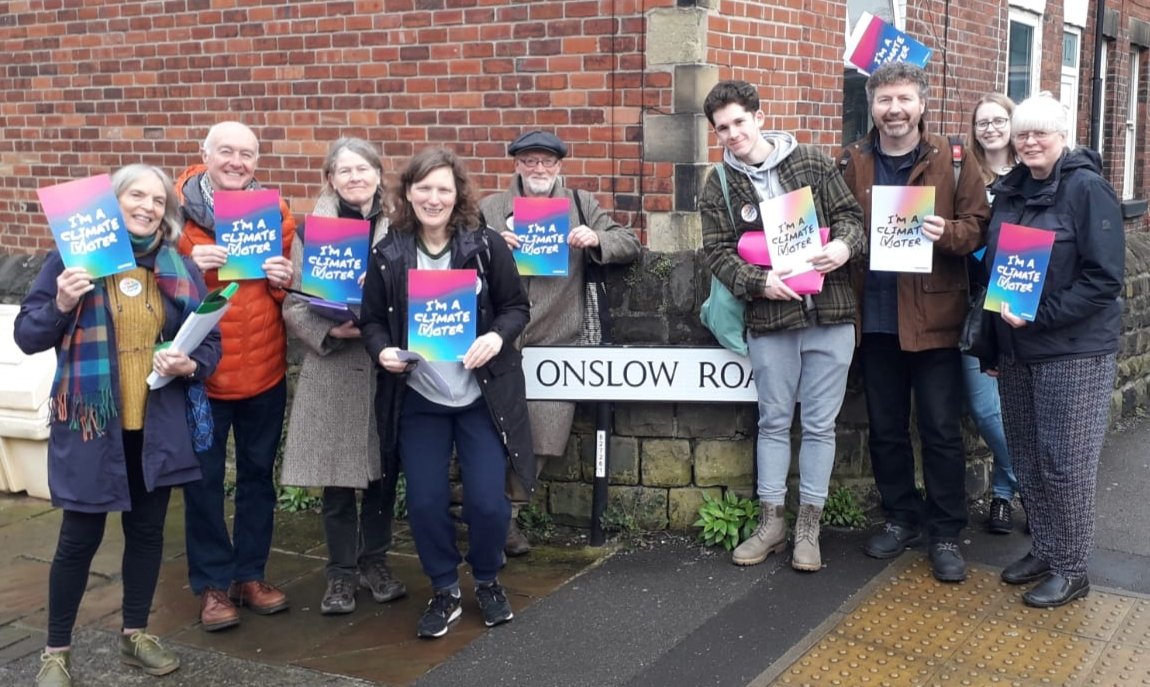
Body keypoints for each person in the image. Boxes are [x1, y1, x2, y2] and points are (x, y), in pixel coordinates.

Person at [16, 165, 221, 687]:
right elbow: (27, 335)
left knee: (147, 533)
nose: (148, 206)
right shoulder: (72, 261)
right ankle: (56, 651)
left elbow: (209, 344)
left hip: (156, 425)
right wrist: (61, 302)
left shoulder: (177, 266)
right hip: (92, 425)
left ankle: (135, 633)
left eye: (158, 200)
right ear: (113, 202)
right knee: (78, 538)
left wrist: (189, 364)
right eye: (137, 195)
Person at [360, 147, 533, 639]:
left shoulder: (485, 246)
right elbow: (371, 320)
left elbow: (516, 308)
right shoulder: (388, 252)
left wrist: (495, 337)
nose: (433, 198)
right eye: (424, 188)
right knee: (425, 501)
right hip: (420, 399)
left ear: (457, 195)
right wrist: (382, 353)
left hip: (480, 397)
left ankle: (486, 578)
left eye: (443, 188)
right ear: (407, 192)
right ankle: (444, 587)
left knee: (488, 502)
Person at [698, 81, 865, 572]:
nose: (732, 134)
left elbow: (851, 218)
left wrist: (843, 248)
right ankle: (771, 523)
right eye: (722, 128)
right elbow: (716, 252)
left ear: (759, 116)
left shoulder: (812, 162)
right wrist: (761, 281)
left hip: (829, 315)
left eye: (739, 122)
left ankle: (808, 529)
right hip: (770, 318)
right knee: (772, 423)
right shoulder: (719, 184)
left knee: (819, 426)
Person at [840, 62, 989, 582]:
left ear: (921, 103)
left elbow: (978, 224)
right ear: (871, 105)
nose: (894, 109)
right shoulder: (853, 160)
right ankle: (900, 517)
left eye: (903, 99)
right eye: (884, 100)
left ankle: (946, 531)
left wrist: (945, 232)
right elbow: (836, 223)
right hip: (875, 318)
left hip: (935, 319)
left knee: (941, 430)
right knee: (885, 429)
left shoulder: (953, 157)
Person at [985, 93, 1124, 607]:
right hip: (1017, 347)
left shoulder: (1088, 190)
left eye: (1041, 132)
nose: (1030, 141)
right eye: (1023, 133)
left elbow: (1103, 280)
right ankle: (1045, 549)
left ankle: (1072, 567)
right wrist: (993, 344)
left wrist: (1039, 316)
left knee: (1066, 461)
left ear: (1062, 135)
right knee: (1028, 453)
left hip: (1074, 349)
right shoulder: (1012, 191)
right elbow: (1000, 268)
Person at [478, 130, 640, 556]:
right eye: (529, 161)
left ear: (559, 167)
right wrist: (491, 243)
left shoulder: (580, 205)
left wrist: (596, 238)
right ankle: (493, 520)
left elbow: (630, 242)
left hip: (558, 340)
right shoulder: (491, 209)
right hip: (499, 340)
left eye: (546, 162)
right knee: (493, 434)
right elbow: (458, 254)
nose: (538, 170)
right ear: (516, 165)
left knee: (546, 436)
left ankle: (510, 516)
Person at [176, 121, 297, 630]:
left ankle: (250, 575)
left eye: (247, 154)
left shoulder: (277, 213)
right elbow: (143, 286)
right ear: (203, 154)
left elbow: (293, 295)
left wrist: (284, 282)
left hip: (264, 370)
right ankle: (211, 586)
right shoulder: (173, 216)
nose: (236, 161)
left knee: (256, 479)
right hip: (200, 376)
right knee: (202, 483)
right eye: (226, 151)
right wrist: (184, 260)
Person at [280, 137, 406, 615]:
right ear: (330, 179)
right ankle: (339, 573)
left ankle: (374, 561)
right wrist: (332, 329)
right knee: (336, 479)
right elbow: (292, 303)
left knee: (381, 473)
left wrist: (384, 322)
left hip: (385, 365)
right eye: (344, 170)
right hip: (333, 366)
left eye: (364, 168)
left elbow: (418, 287)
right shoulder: (313, 233)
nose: (355, 177)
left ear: (378, 172)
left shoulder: (402, 228)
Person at [967, 93, 1021, 534]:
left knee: (1024, 407)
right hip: (971, 306)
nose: (990, 128)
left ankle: (1004, 492)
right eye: (982, 121)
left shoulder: (1031, 174)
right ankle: (1031, 483)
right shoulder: (963, 172)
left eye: (998, 119)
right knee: (985, 410)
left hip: (1019, 303)